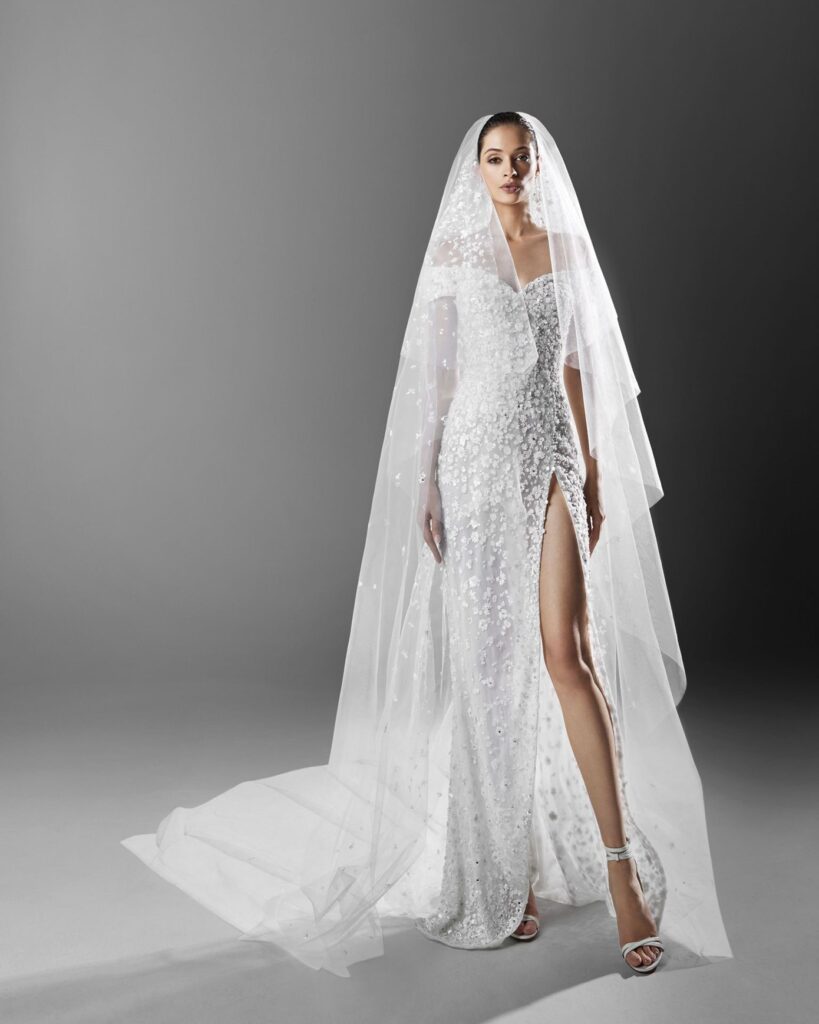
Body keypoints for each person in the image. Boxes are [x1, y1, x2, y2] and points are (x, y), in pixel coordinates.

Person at [122, 112, 733, 979]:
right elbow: (440, 374)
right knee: (487, 674)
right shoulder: (454, 253)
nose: (509, 171)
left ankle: (619, 868)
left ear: (538, 166)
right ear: (477, 169)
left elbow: (573, 365)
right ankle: (501, 870)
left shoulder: (563, 247)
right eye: (495, 159)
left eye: (521, 158)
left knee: (566, 656)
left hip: (551, 455)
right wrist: (431, 478)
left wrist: (593, 467)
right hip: (475, 459)